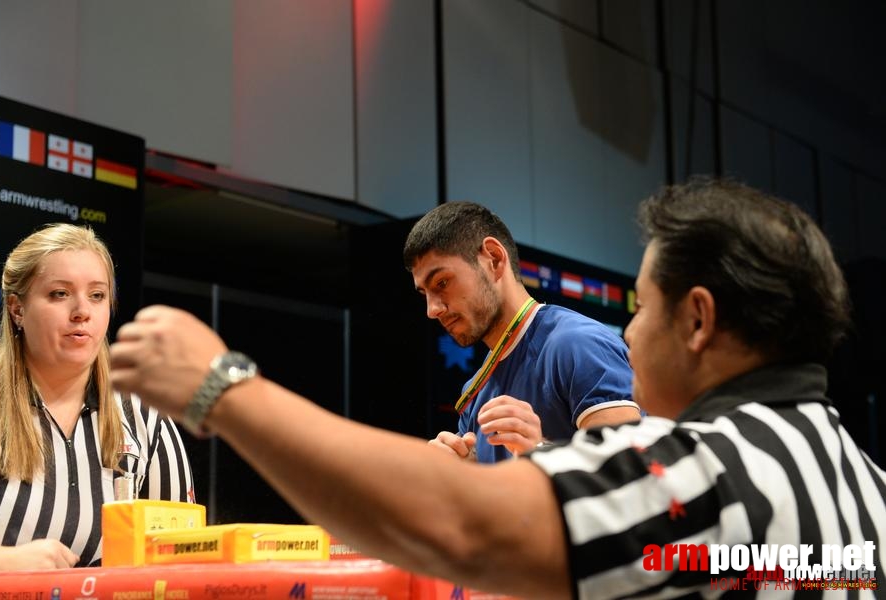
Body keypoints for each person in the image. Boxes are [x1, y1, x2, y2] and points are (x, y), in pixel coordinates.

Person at [109, 178, 885, 599]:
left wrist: (224, 389)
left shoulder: (702, 471)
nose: (626, 333)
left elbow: (467, 529)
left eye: (640, 309)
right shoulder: (866, 483)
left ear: (698, 321)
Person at [0, 223, 196, 571]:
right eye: (59, 294)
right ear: (16, 309)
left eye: (97, 295)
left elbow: (182, 555)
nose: (82, 310)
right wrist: (3, 563)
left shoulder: (143, 412)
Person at [403, 201, 640, 462]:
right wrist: (459, 475)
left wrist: (538, 453)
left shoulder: (578, 344)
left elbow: (632, 475)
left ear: (494, 258)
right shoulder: (475, 388)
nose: (432, 309)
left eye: (442, 282)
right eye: (425, 293)